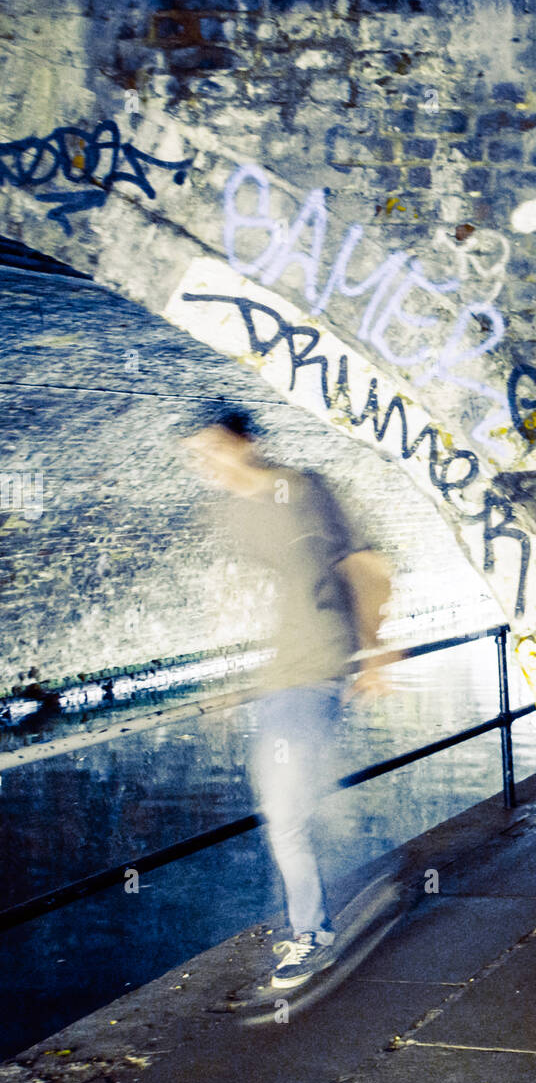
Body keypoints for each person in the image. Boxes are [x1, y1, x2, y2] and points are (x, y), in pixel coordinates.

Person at [182, 409, 398, 989]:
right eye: (198, 457)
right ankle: (322, 914)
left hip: (316, 668)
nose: (209, 466)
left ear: (247, 441)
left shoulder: (304, 491)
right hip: (274, 681)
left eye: (215, 450)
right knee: (284, 810)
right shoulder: (229, 515)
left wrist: (375, 648)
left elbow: (365, 564)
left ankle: (313, 935)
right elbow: (239, 593)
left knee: (285, 814)